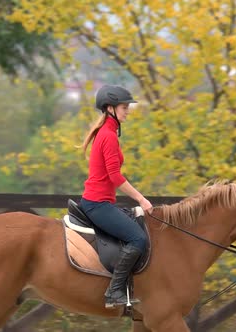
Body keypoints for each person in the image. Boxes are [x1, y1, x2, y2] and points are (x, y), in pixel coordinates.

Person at [79, 84, 152, 308]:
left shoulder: (108, 132)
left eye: (127, 106)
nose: (127, 110)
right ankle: (114, 292)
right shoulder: (108, 136)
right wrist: (141, 198)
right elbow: (115, 177)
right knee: (138, 239)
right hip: (97, 204)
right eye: (124, 106)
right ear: (110, 108)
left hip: (101, 202)